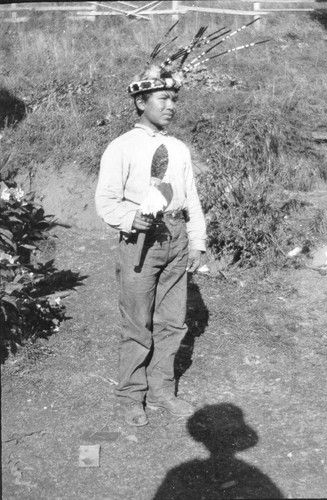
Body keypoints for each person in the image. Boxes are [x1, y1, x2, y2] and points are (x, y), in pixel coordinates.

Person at [95, 61, 206, 426]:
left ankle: (161, 391)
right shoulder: (122, 147)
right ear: (141, 102)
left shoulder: (178, 148)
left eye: (173, 98)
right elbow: (107, 200)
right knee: (137, 322)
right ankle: (131, 395)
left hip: (175, 237)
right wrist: (132, 218)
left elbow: (190, 197)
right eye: (163, 98)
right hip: (139, 241)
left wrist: (196, 240)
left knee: (173, 321)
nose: (171, 105)